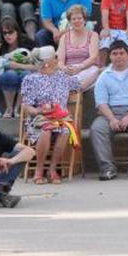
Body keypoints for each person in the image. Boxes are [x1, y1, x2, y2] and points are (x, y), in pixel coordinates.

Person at [89, 40, 128, 180]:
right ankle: (107, 169)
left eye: (121, 53)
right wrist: (112, 118)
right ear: (110, 56)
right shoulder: (104, 76)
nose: (118, 56)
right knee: (97, 128)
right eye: (114, 54)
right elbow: (101, 102)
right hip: (109, 113)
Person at [18, 46, 79, 184]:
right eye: (55, 57)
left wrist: (98, 71)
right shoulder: (31, 79)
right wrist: (39, 111)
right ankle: (39, 171)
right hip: (39, 117)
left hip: (60, 117)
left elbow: (80, 85)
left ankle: (52, 170)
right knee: (46, 130)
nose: (58, 59)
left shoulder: (62, 76)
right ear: (46, 62)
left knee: (65, 130)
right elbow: (27, 105)